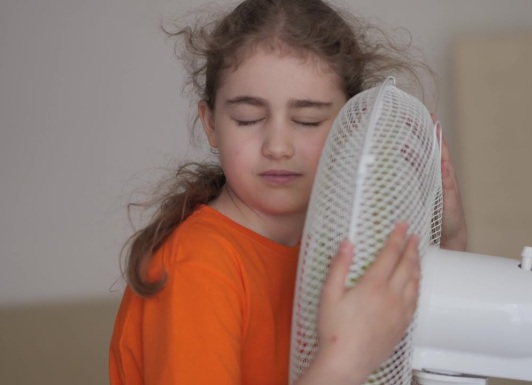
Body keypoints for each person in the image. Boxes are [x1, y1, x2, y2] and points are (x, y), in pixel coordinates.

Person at [109, 0, 467, 384]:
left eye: (307, 120)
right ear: (211, 123)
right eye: (249, 118)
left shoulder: (343, 245)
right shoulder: (197, 265)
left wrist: (450, 235)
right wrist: (348, 358)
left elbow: (442, 339)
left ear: (353, 126)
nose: (278, 146)